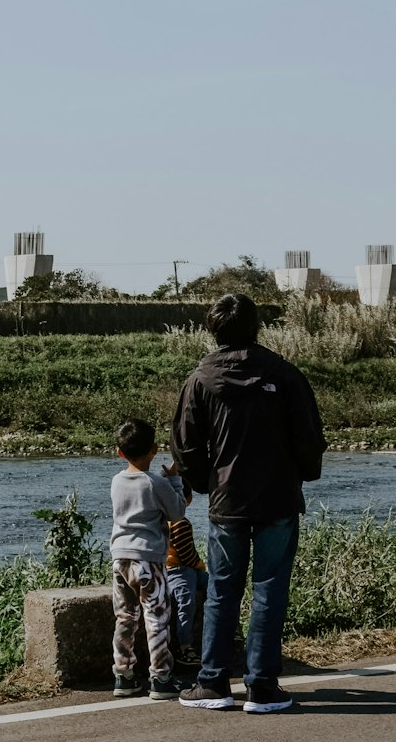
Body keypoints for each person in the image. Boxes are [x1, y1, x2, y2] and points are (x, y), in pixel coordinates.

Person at [171, 293, 325, 714]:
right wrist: (303, 475)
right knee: (270, 589)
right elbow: (308, 437)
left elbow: (184, 444)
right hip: (278, 498)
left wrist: (205, 483)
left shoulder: (200, 379)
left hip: (226, 501)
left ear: (213, 329)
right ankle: (262, 686)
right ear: (257, 326)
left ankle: (213, 683)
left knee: (222, 590)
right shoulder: (284, 373)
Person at [109, 416, 187, 701]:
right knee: (156, 616)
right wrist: (175, 480)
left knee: (125, 617)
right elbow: (177, 512)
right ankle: (161, 677)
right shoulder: (155, 482)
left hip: (120, 557)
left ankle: (123, 675)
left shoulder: (117, 481)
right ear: (154, 450)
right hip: (148, 560)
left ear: (119, 452)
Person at [166, 479, 208, 667]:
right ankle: (185, 647)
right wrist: (200, 564)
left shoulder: (161, 519)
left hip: (173, 570)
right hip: (178, 571)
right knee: (187, 603)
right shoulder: (180, 523)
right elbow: (187, 553)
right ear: (188, 499)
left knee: (193, 598)